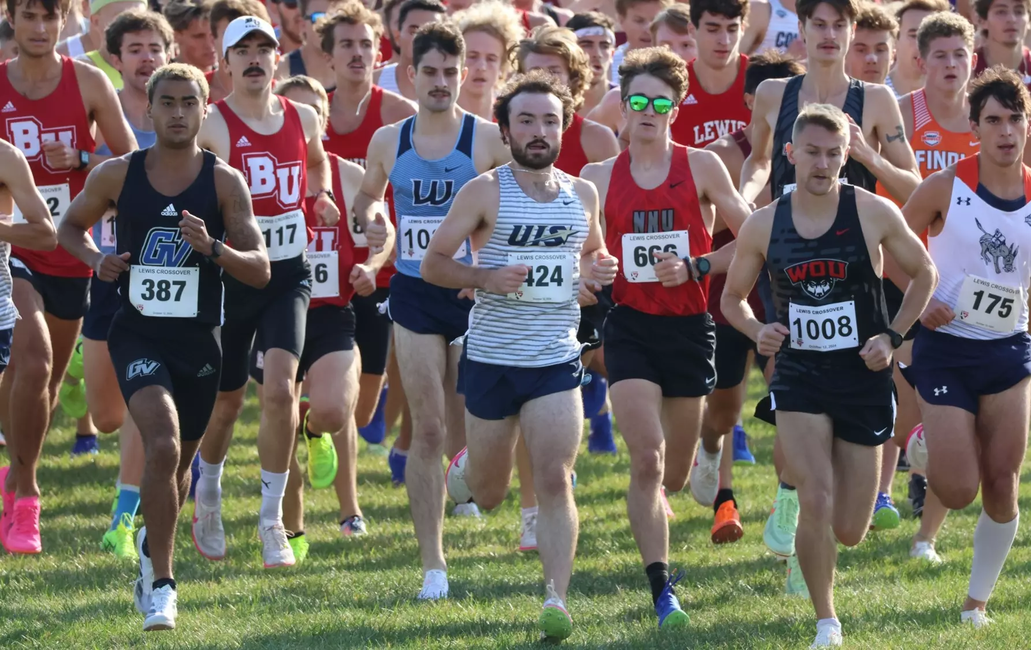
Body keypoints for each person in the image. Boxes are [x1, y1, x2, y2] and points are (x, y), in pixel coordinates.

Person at [58, 63, 270, 631]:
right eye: (167, 102)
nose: (178, 113)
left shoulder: (224, 183)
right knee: (162, 442)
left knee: (176, 469)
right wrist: (96, 260)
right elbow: (69, 227)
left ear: (205, 110)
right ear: (148, 111)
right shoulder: (116, 174)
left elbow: (260, 270)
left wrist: (214, 248)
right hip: (137, 334)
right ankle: (163, 586)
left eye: (188, 103)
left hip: (199, 342)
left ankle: (154, 543)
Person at [722, 103, 937, 648]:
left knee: (851, 529)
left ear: (847, 156)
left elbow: (924, 273)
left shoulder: (872, 212)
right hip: (799, 375)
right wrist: (757, 330)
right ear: (790, 154)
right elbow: (731, 298)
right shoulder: (764, 223)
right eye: (812, 152)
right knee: (814, 497)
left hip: (862, 375)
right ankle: (826, 621)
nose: (822, 164)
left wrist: (892, 336)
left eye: (833, 154)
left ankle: (817, 541)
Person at [422, 69, 615, 642]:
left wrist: (595, 273)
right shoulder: (485, 191)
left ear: (564, 128)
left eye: (550, 121)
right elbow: (433, 265)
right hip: (492, 359)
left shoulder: (582, 194)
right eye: (525, 120)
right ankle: (467, 467)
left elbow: (592, 256)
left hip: (555, 359)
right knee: (489, 492)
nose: (538, 131)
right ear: (505, 130)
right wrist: (485, 277)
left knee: (555, 478)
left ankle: (557, 598)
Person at [580, 46, 752, 629]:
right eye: (638, 101)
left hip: (689, 328)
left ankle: (705, 455)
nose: (648, 112)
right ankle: (661, 585)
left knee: (674, 475)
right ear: (622, 106)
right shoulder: (597, 177)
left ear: (676, 109)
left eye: (660, 103)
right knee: (648, 460)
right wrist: (593, 269)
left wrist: (699, 266)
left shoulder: (702, 166)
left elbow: (752, 236)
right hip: (629, 327)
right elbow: (580, 253)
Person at [353, 21, 511, 600]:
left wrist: (486, 267)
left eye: (450, 71)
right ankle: (433, 566)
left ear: (464, 74)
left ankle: (487, 489)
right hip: (416, 293)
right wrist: (371, 220)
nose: (441, 82)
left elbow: (517, 205)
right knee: (428, 427)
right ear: (409, 75)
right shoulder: (388, 140)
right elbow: (368, 197)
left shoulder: (487, 140)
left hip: (473, 292)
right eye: (430, 72)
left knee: (480, 421)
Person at [191, 14, 339, 569]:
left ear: (278, 57)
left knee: (280, 391)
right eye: (243, 50)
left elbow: (317, 163)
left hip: (287, 275)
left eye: (264, 49)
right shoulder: (213, 124)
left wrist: (321, 195)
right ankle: (208, 495)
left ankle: (272, 520)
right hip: (230, 276)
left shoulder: (303, 115)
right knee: (226, 402)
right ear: (225, 62)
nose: (254, 58)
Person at [0, 0, 136, 556]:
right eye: (28, 16)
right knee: (32, 359)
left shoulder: (88, 82)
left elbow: (131, 163)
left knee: (45, 381)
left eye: (48, 17)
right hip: (13, 248)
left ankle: (14, 472)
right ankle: (27, 496)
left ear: (64, 21)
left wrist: (81, 157)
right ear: (11, 18)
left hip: (71, 249)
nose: (39, 28)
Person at [897, 67, 1031, 630]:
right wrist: (922, 302)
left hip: (1009, 350)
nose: (1006, 131)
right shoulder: (944, 187)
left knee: (1002, 485)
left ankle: (976, 604)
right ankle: (923, 440)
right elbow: (890, 249)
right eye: (993, 120)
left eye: (1015, 119)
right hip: (946, 348)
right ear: (974, 127)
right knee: (956, 488)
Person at [270, 75, 395, 557]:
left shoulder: (347, 176)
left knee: (340, 412)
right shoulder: (263, 174)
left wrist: (372, 265)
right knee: (278, 412)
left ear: (323, 122)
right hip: (273, 310)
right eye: (292, 113)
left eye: (312, 115)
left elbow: (385, 232)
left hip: (331, 309)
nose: (302, 124)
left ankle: (342, 492)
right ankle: (292, 528)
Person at [513, 22, 618, 550]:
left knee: (604, 374)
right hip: (524, 289)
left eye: (554, 73)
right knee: (531, 399)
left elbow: (606, 228)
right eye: (534, 72)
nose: (544, 82)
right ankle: (533, 509)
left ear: (575, 80)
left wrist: (584, 274)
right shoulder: (506, 142)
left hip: (587, 288)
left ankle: (651, 474)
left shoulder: (597, 140)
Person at [695, 49, 805, 544]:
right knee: (723, 412)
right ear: (750, 103)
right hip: (729, 297)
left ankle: (787, 505)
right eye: (778, 102)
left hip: (787, 299)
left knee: (792, 406)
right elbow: (721, 239)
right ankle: (712, 459)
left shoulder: (816, 155)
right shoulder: (721, 156)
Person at [885, 11, 980, 559]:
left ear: (973, 59)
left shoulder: (989, 119)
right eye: (939, 55)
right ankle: (892, 481)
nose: (950, 64)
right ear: (920, 61)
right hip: (901, 270)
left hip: (972, 281)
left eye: (959, 55)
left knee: (956, 414)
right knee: (911, 412)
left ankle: (926, 536)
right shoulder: (902, 114)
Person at [82, 7, 174, 561]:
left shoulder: (184, 114)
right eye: (135, 49)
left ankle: (125, 514)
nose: (146, 58)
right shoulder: (101, 113)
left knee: (147, 399)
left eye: (154, 48)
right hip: (110, 273)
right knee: (107, 415)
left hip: (166, 277)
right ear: (115, 59)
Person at [316, 1, 415, 482]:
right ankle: (310, 433)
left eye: (366, 45)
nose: (357, 53)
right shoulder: (308, 113)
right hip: (319, 268)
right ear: (328, 56)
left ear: (380, 54)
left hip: (380, 268)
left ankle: (318, 429)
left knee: (362, 409)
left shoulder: (400, 115)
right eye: (346, 45)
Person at [587, 5, 695, 137]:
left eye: (686, 45)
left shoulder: (716, 95)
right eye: (666, 46)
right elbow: (578, 141)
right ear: (653, 46)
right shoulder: (619, 98)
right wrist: (618, 146)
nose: (676, 53)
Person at [669, 0, 749, 149]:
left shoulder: (764, 80)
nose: (724, 41)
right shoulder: (671, 84)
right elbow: (630, 140)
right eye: (713, 30)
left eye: (732, 29)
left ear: (742, 29)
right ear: (692, 30)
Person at [453, 0, 522, 121]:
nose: (482, 67)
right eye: (472, 56)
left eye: (491, 59)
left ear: (502, 67)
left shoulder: (512, 121)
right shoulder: (432, 114)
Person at [373, 0, 446, 99]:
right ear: (398, 35)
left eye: (432, 32)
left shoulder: (455, 87)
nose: (421, 39)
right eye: (413, 31)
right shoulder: (373, 82)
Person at [205, 0, 272, 104]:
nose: (240, 42)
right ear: (212, 40)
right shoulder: (194, 91)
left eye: (252, 36)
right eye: (230, 35)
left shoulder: (283, 91)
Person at [79, 0, 150, 90]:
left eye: (139, 19)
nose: (132, 27)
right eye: (121, 19)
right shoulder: (80, 71)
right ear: (96, 21)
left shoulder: (156, 66)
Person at [274, 0, 343, 90]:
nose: (328, 26)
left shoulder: (356, 68)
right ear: (302, 24)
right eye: (319, 18)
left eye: (336, 18)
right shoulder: (280, 71)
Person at [887, 0, 948, 98]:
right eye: (913, 35)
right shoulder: (873, 93)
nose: (922, 43)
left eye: (932, 36)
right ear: (895, 40)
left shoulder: (951, 96)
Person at [609, 0, 671, 84]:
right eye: (639, 21)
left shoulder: (678, 63)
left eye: (655, 20)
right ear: (621, 21)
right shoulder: (609, 64)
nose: (648, 29)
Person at [567, 12, 616, 116]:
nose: (597, 54)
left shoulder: (626, 100)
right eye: (587, 45)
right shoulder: (556, 103)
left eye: (604, 46)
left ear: (612, 54)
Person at [973, 0, 1031, 86]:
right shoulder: (969, 68)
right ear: (982, 20)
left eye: (1019, 11)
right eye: (1001, 12)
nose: (1012, 19)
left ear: (1029, 20)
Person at [845, 2, 897, 86]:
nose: (872, 59)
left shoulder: (905, 94)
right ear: (845, 55)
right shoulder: (827, 94)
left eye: (880, 50)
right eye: (861, 50)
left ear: (893, 56)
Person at [163, 0, 217, 72]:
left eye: (213, 34)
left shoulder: (229, 74)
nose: (210, 44)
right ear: (176, 36)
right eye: (199, 37)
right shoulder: (163, 77)